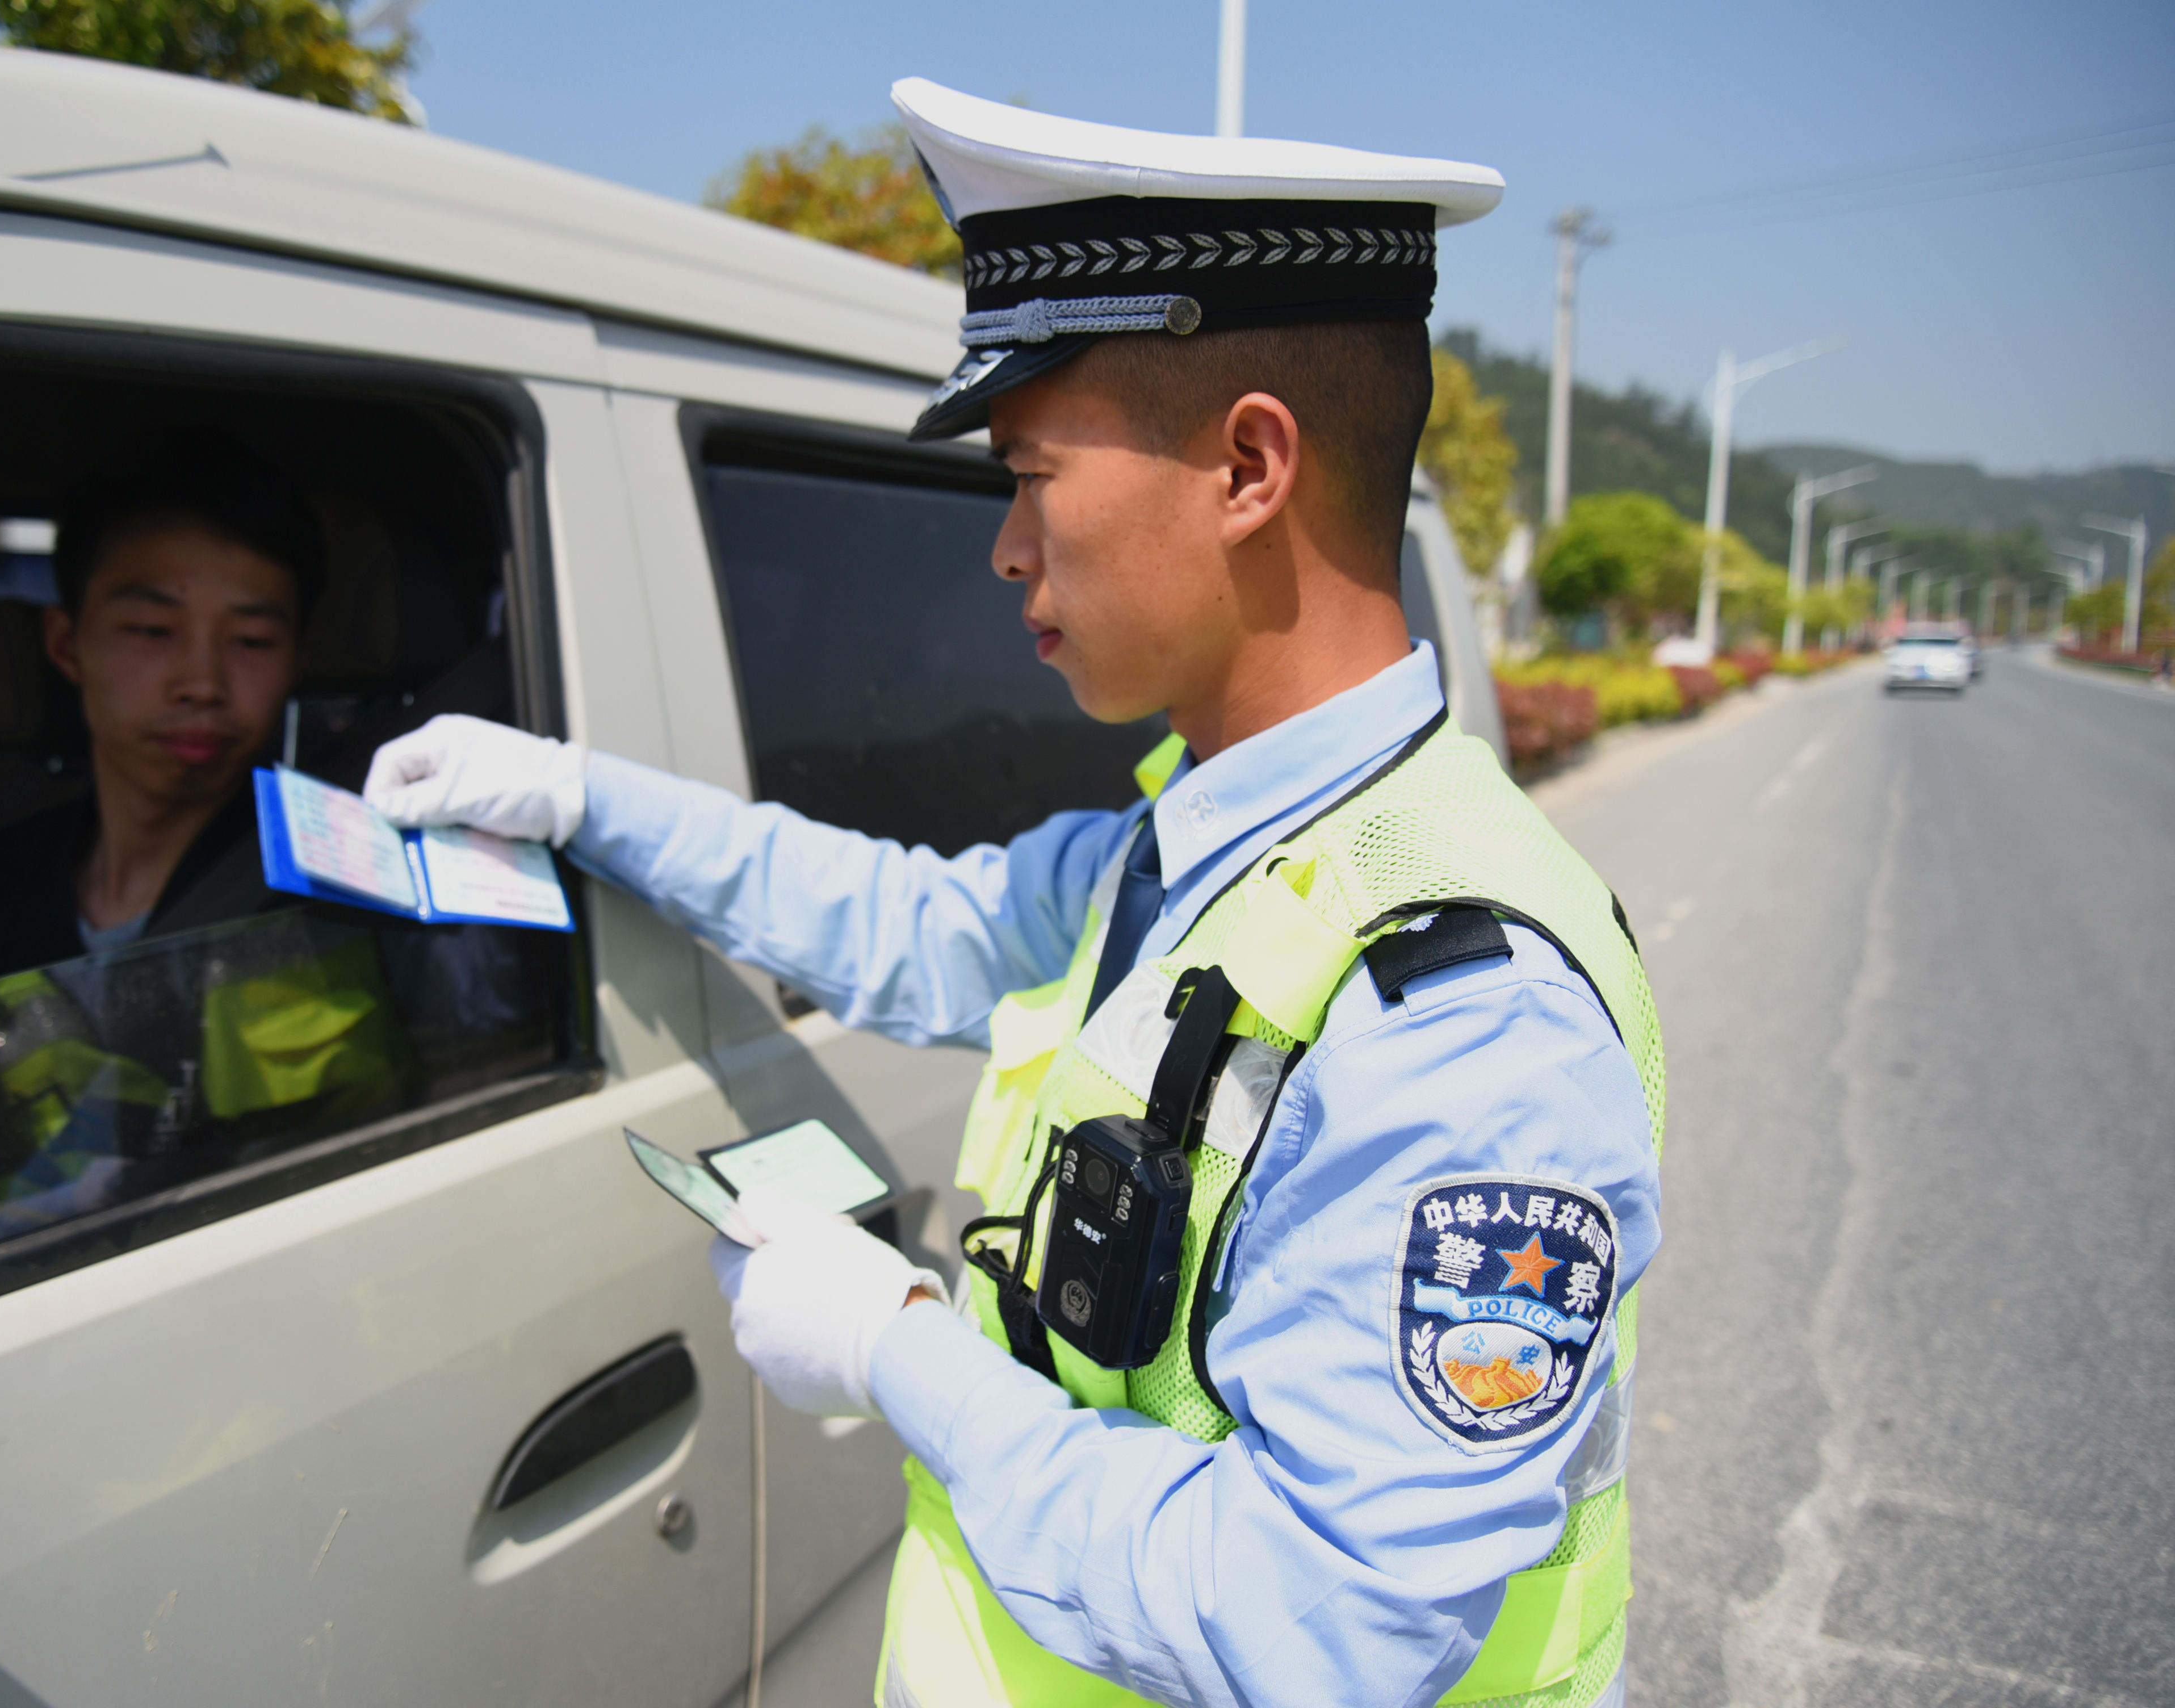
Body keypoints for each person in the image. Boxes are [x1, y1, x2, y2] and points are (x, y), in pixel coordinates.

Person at [367, 82, 1662, 1708]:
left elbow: (1324, 1632)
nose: (1003, 550)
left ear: (1251, 466)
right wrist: (580, 796)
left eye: (1034, 472)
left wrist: (901, 1349)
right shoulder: (1200, 844)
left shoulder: (1465, 1014)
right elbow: (916, 927)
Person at [0, 432, 406, 1279]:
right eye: (151, 629)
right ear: (68, 646)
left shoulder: (352, 891)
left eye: (252, 641)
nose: (202, 683)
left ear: (295, 659)